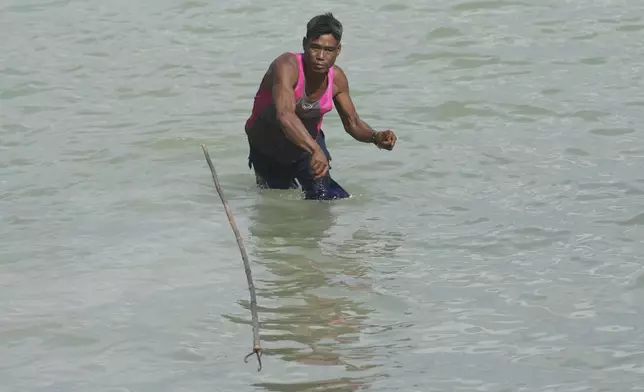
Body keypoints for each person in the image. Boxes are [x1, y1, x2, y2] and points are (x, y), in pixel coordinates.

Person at [244, 12, 397, 200]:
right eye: (315, 48)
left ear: (338, 50)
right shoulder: (287, 66)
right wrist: (315, 150)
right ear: (304, 44)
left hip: (306, 148)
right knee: (277, 206)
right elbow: (285, 116)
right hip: (268, 148)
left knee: (325, 199)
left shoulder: (337, 79)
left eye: (329, 50)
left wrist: (376, 137)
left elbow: (353, 123)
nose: (321, 56)